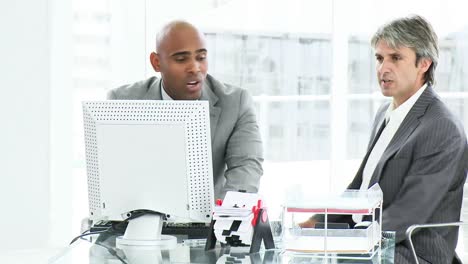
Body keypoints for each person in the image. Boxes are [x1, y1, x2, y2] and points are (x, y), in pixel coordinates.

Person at [300, 15, 467, 263]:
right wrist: (314, 223)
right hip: (377, 241)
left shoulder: (441, 127)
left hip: (412, 251)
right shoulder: (385, 113)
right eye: (379, 58)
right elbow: (360, 189)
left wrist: (341, 245)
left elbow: (407, 213)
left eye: (396, 58)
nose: (383, 68)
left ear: (424, 63)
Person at [107, 20, 263, 200]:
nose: (195, 68)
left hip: (210, 221)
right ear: (156, 62)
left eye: (201, 58)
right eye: (181, 59)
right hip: (142, 216)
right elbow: (115, 175)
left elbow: (246, 169)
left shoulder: (236, 103)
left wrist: (226, 218)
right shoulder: (122, 102)